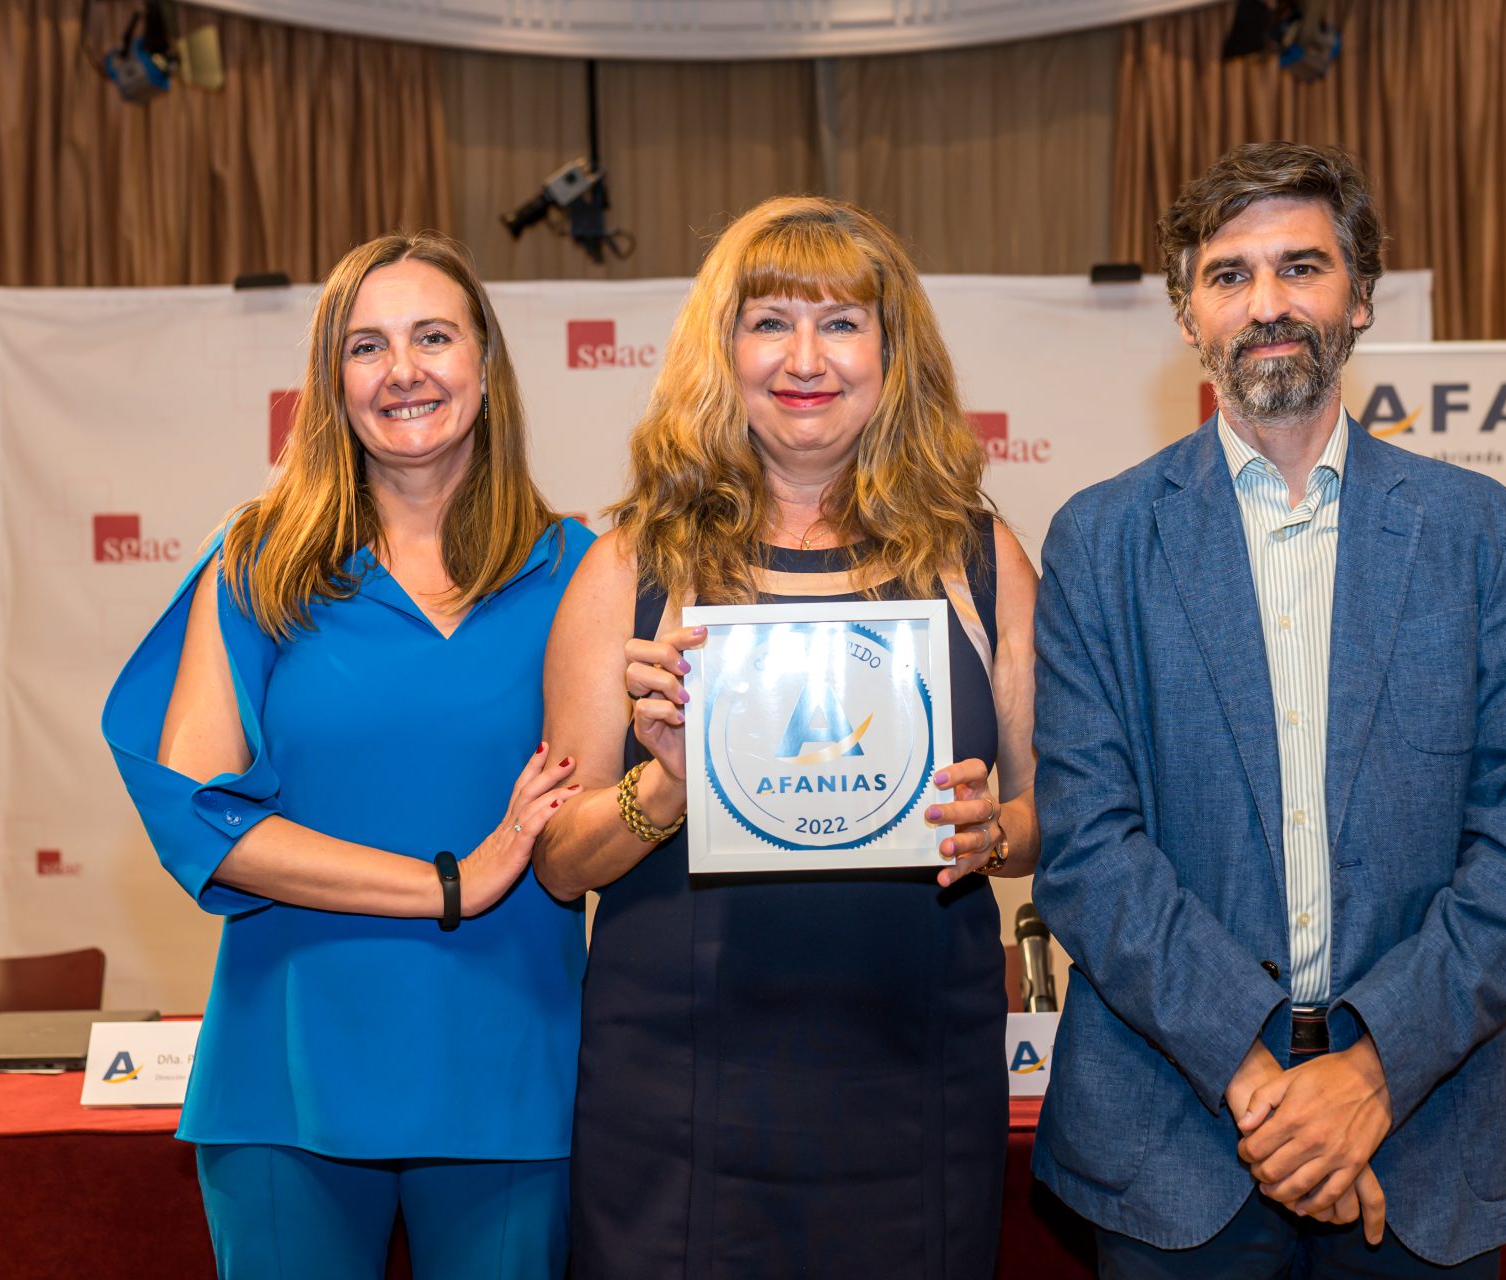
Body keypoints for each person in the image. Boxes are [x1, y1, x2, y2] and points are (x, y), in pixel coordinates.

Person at [1028, 141, 1506, 1278]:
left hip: (1421, 1129)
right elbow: (1088, 847)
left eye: (1302, 267)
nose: (1267, 304)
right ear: (1189, 311)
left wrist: (1371, 1070)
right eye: (1229, 275)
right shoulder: (1100, 541)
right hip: (1173, 1140)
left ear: (1362, 294)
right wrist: (1263, 1084)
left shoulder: (1482, 536)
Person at [535, 194, 1039, 1278]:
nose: (805, 356)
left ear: (891, 349)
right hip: (675, 1101)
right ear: (724, 350)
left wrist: (995, 828)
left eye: (842, 320)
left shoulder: (981, 555)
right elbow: (556, 859)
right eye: (769, 320)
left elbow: (1059, 812)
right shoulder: (627, 564)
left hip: (915, 1087)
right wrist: (662, 793)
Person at [103, 231, 589, 1279]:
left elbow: (634, 807)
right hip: (287, 1072)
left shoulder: (582, 570)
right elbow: (197, 814)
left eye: (433, 336)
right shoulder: (261, 562)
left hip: (514, 1068)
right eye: (367, 345)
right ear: (333, 381)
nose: (404, 369)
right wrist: (446, 879)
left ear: (486, 362)